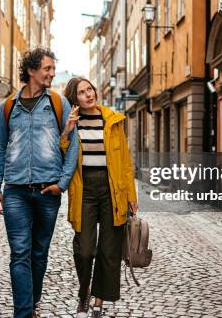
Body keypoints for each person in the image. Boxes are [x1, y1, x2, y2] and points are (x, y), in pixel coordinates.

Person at [0, 48, 79, 318]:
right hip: (15, 191)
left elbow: (73, 145)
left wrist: (61, 184)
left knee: (39, 254)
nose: (52, 73)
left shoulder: (57, 103)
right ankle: (24, 313)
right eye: (47, 69)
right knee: (19, 252)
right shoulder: (8, 107)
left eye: (53, 69)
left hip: (48, 190)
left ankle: (33, 300)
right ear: (31, 71)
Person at [60, 77, 138, 318]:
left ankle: (98, 299)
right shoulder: (72, 123)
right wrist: (67, 131)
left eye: (90, 89)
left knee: (109, 250)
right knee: (84, 250)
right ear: (75, 99)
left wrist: (131, 195)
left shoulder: (113, 120)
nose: (89, 94)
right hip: (84, 190)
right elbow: (61, 156)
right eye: (82, 92)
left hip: (111, 189)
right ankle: (84, 293)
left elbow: (125, 162)